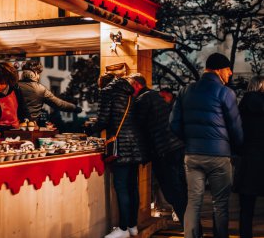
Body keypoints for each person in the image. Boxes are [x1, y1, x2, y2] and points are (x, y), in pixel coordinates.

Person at [169, 53, 243, 238]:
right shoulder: (225, 93)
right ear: (218, 70)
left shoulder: (185, 91)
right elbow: (235, 127)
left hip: (192, 155)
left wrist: (189, 140)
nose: (230, 73)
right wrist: (237, 149)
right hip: (219, 156)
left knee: (193, 201)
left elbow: (173, 124)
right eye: (227, 69)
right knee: (220, 204)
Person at [87, 73, 149, 238]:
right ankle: (132, 226)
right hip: (135, 145)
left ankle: (122, 229)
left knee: (121, 187)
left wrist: (89, 129)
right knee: (132, 187)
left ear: (103, 84)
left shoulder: (107, 91)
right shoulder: (130, 92)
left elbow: (103, 120)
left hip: (120, 145)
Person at [132, 75, 187, 227]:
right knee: (181, 188)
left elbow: (139, 126)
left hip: (163, 150)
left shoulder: (142, 99)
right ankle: (193, 226)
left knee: (172, 191)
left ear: (136, 85)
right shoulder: (156, 96)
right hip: (176, 146)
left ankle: (190, 228)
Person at [233, 76, 264, 238]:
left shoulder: (242, 104)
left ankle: (245, 235)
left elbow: (236, 131)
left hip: (248, 159)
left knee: (246, 207)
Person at [19, 60, 82, 126]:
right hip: (32, 126)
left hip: (15, 126)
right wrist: (75, 108)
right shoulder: (41, 89)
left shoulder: (15, 86)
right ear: (36, 73)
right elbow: (59, 104)